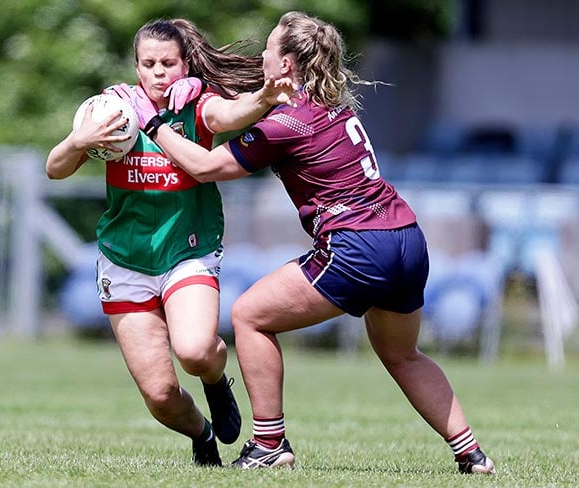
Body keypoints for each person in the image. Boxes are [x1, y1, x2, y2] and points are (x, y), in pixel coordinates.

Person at [123, 11, 497, 475]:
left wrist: (154, 123)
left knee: (249, 316)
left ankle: (269, 444)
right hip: (406, 239)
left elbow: (204, 167)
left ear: (286, 64)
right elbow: (249, 105)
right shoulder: (331, 104)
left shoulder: (286, 123)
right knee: (402, 354)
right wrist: (197, 89)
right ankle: (471, 454)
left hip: (359, 246)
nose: (261, 53)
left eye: (269, 48)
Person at [45, 18, 292, 467]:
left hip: (187, 252)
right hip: (125, 260)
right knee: (160, 396)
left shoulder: (197, 103)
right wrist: (80, 139)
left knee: (196, 351)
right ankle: (202, 433)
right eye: (148, 63)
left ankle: (216, 382)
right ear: (136, 67)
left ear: (184, 64)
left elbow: (230, 116)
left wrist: (262, 98)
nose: (159, 72)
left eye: (168, 63)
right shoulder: (113, 113)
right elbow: (55, 168)